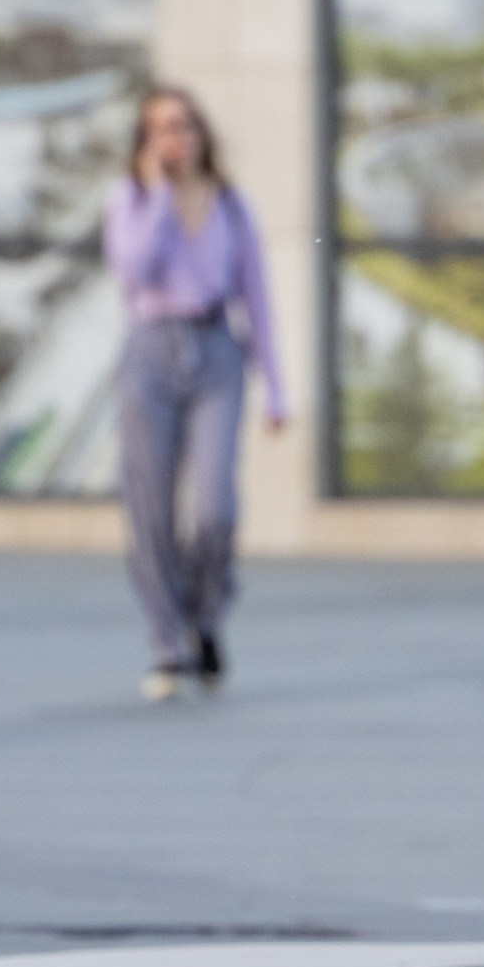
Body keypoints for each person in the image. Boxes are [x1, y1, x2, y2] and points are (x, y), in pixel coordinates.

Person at [102, 86, 287, 702]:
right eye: (158, 129)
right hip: (150, 349)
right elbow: (134, 271)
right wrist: (159, 194)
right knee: (149, 506)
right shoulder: (129, 198)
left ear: (201, 132)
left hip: (216, 352)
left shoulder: (232, 206)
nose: (173, 137)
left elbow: (256, 296)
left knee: (215, 509)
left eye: (181, 126)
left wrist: (277, 389)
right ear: (145, 140)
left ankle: (205, 618)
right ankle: (167, 645)